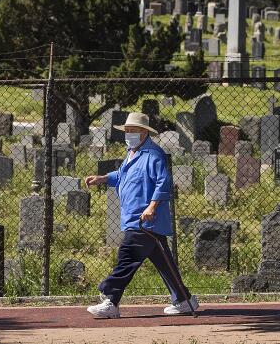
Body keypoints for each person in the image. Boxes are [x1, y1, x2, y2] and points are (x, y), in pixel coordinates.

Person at [83, 112, 197, 319]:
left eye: (132, 131)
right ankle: (184, 300)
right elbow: (122, 175)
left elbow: (164, 182)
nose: (128, 134)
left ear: (144, 132)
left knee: (127, 257)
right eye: (126, 131)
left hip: (145, 220)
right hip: (134, 217)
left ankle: (110, 299)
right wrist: (102, 178)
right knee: (163, 261)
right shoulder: (132, 152)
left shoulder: (154, 155)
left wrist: (152, 206)